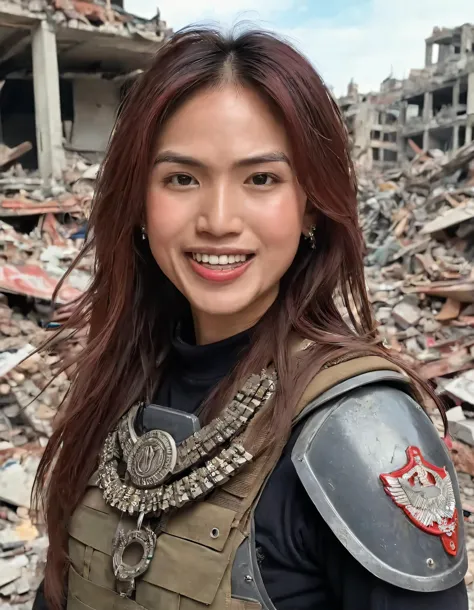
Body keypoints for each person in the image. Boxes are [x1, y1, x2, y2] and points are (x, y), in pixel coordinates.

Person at [33, 27, 469, 610]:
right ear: (139, 203)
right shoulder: (115, 384)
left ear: (310, 207)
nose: (217, 219)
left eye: (261, 179)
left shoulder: (366, 433)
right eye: (181, 178)